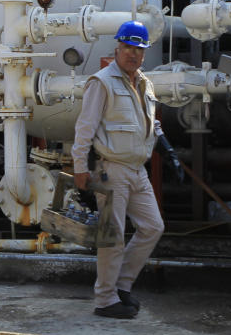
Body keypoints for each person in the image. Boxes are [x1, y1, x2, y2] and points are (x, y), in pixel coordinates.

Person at [71, 20, 185, 319]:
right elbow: (85, 128)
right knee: (113, 236)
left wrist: (167, 148)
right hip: (111, 170)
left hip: (137, 170)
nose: (133, 54)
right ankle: (105, 300)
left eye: (139, 50)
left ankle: (121, 286)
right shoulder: (102, 82)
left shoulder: (144, 83)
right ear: (117, 48)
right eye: (128, 48)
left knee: (153, 227)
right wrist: (80, 169)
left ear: (144, 53)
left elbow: (150, 123)